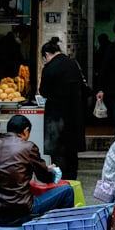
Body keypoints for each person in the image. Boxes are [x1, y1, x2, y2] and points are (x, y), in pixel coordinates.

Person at [0, 114, 74, 227]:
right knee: (67, 191)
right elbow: (44, 177)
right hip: (20, 214)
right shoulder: (28, 147)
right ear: (25, 131)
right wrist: (50, 171)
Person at [39, 37, 86, 180]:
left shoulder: (49, 68)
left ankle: (60, 181)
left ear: (47, 54)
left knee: (58, 152)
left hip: (56, 116)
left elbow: (44, 91)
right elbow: (83, 87)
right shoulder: (73, 64)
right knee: (72, 153)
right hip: (74, 115)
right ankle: (72, 181)